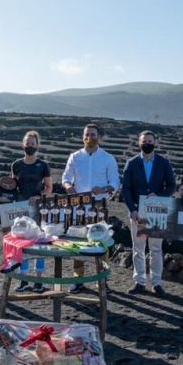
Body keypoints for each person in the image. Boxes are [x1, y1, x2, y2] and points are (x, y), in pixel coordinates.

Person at [61, 123, 120, 293]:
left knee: (101, 241)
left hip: (99, 205)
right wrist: (68, 187)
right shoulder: (75, 157)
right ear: (82, 137)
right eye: (87, 134)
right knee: (78, 240)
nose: (90, 138)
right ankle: (77, 278)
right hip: (79, 204)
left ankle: (101, 279)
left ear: (99, 137)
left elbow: (115, 182)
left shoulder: (108, 158)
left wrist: (103, 189)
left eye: (93, 134)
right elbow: (66, 178)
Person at [121, 130, 176, 297]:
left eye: (150, 141)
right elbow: (126, 188)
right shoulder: (131, 163)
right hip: (137, 212)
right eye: (144, 141)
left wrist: (159, 196)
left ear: (155, 143)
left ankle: (156, 283)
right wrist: (132, 209)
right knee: (138, 248)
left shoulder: (164, 163)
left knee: (156, 249)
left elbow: (171, 186)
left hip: (157, 212)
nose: (147, 144)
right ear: (139, 143)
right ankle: (139, 282)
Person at [10, 130, 52, 293]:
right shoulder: (16, 165)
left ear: (37, 146)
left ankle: (38, 280)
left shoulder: (43, 165)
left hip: (37, 208)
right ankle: (24, 279)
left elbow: (48, 188)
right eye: (27, 143)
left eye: (32, 143)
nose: (30, 146)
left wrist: (38, 196)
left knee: (38, 243)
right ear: (23, 145)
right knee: (22, 243)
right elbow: (12, 185)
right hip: (20, 208)